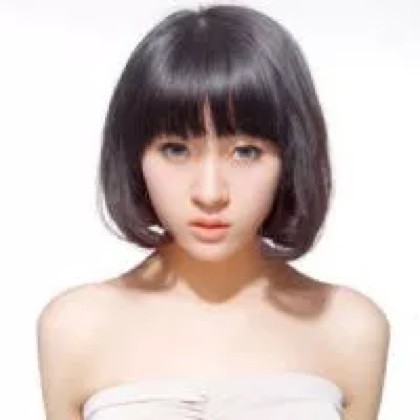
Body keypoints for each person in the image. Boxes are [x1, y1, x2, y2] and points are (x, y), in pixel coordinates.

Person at [36, 4, 390, 420]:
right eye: (176, 149)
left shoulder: (349, 328)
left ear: (291, 157)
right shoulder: (75, 329)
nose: (209, 193)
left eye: (246, 152)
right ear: (134, 156)